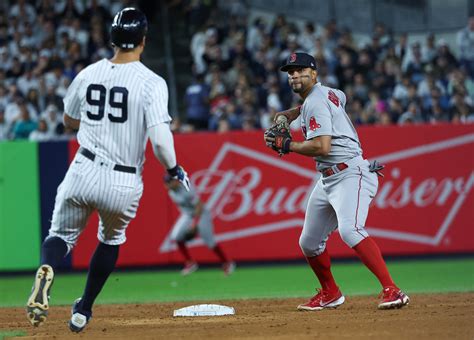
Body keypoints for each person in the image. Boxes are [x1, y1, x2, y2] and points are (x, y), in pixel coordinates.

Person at [26, 8, 190, 332]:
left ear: (111, 38)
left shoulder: (87, 74)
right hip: (123, 180)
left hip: (83, 168)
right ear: (143, 41)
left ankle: (47, 268)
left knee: (59, 236)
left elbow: (69, 121)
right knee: (111, 239)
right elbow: (159, 140)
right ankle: (83, 309)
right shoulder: (151, 83)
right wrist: (174, 169)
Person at [264, 52, 409, 311]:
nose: (295, 75)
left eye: (300, 70)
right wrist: (294, 112)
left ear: (314, 73)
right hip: (329, 178)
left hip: (350, 173)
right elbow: (340, 97)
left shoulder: (316, 102)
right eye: (290, 72)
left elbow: (321, 146)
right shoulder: (329, 93)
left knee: (350, 230)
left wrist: (288, 144)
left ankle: (393, 289)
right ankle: (330, 292)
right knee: (308, 242)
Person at [164, 175, 235, 276]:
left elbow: (199, 206)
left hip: (201, 214)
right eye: (167, 183)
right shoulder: (171, 192)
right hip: (188, 215)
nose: (169, 184)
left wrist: (194, 225)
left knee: (210, 241)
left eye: (170, 182)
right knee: (176, 236)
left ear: (176, 181)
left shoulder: (186, 189)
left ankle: (227, 263)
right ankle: (190, 263)